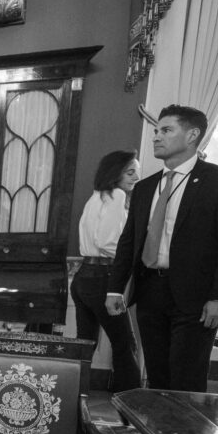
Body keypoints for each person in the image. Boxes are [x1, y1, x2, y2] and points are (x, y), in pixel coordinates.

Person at [106, 104, 218, 434]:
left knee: (185, 381)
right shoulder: (145, 187)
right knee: (157, 378)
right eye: (156, 131)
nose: (156, 136)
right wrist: (114, 287)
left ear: (192, 136)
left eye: (166, 130)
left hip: (197, 297)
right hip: (151, 291)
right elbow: (129, 243)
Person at [71, 150, 143, 410]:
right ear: (115, 174)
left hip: (83, 277)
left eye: (137, 171)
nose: (137, 176)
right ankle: (131, 406)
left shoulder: (96, 197)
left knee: (84, 345)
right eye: (130, 171)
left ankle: (71, 399)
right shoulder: (118, 196)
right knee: (125, 344)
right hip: (103, 277)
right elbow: (107, 242)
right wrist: (135, 258)